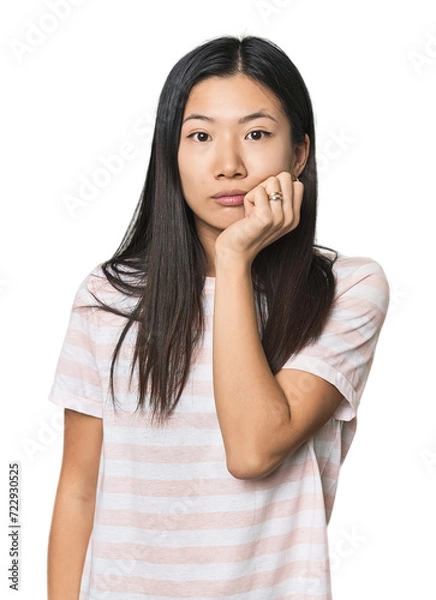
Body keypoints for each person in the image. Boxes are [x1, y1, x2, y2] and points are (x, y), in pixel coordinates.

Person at [47, 35, 389, 600]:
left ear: (299, 154)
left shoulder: (347, 288)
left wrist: (233, 259)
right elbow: (78, 489)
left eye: (256, 134)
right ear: (171, 153)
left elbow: (254, 449)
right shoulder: (108, 296)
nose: (228, 165)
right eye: (200, 136)